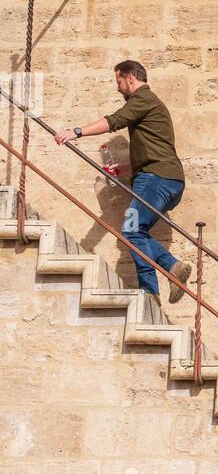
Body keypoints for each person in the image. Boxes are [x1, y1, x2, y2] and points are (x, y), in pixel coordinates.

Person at [55, 61, 190, 303]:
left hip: (155, 178)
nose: (118, 88)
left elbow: (114, 120)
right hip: (167, 179)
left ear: (130, 78)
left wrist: (75, 132)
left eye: (118, 82)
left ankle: (162, 278)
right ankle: (160, 282)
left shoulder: (143, 99)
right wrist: (127, 168)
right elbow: (156, 148)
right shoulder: (152, 105)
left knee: (130, 230)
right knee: (136, 231)